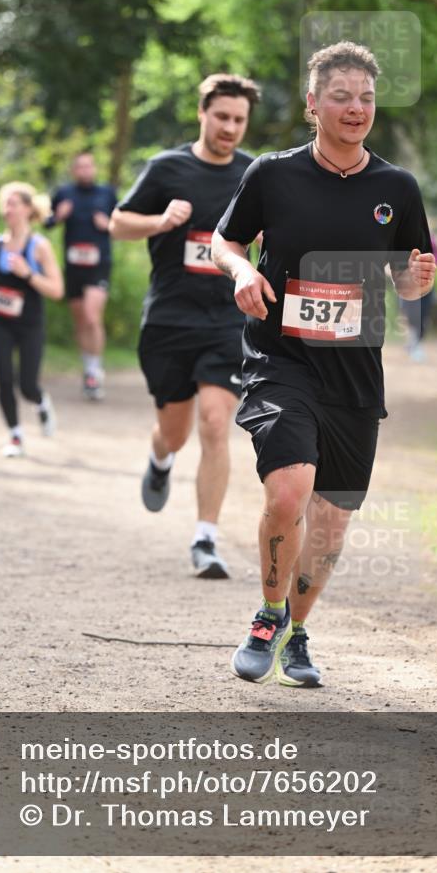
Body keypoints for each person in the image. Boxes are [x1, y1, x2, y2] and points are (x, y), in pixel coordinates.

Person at [212, 41, 436, 686]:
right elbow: (224, 241)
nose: (356, 108)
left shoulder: (397, 188)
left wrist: (416, 280)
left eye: (366, 97)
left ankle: (297, 633)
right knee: (289, 490)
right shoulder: (272, 174)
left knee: (331, 524)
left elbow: (406, 278)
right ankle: (268, 615)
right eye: (341, 96)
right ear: (313, 103)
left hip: (355, 373)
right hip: (280, 358)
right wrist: (240, 272)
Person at [110, 73, 261, 578]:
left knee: (216, 422)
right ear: (202, 113)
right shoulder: (167, 168)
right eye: (222, 117)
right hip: (170, 320)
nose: (230, 128)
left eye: (239, 120)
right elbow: (118, 223)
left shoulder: (254, 174)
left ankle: (205, 540)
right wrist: (159, 222)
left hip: (227, 321)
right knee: (174, 433)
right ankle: (160, 459)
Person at [0, 181, 64, 456]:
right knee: (3, 378)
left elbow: (57, 290)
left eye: (13, 204)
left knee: (27, 385)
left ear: (27, 209)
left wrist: (28, 273)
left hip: (30, 323)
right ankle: (15, 436)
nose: (7, 209)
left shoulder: (39, 247)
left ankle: (41, 403)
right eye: (5, 203)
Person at [47, 152, 117, 400]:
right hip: (73, 266)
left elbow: (122, 225)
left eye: (88, 166)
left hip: (99, 264)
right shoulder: (64, 193)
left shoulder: (107, 193)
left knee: (91, 316)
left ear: (94, 168)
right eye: (80, 167)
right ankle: (88, 368)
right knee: (80, 321)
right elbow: (46, 222)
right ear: (73, 170)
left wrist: (108, 225)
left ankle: (95, 370)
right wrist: (58, 216)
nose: (85, 170)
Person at [398, 228, 437, 361]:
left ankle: (416, 343)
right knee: (410, 315)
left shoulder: (432, 240)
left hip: (426, 284)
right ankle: (413, 343)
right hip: (408, 285)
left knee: (423, 315)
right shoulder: (403, 239)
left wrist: (429, 265)